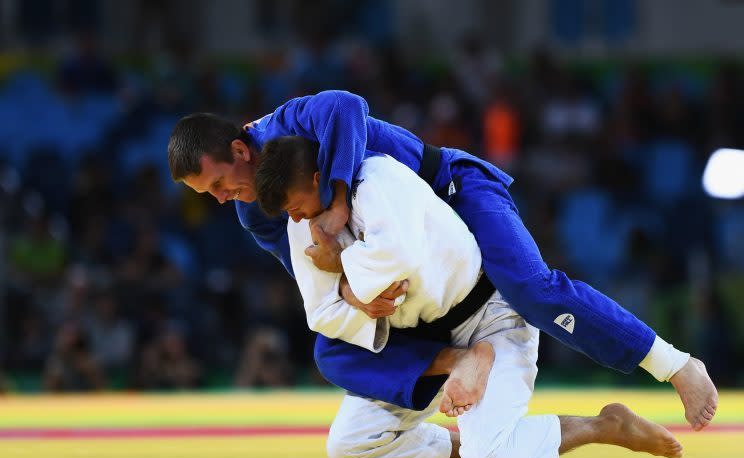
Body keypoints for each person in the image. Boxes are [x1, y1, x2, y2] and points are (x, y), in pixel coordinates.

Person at [167, 91, 717, 429]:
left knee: (530, 288)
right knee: (331, 348)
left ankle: (673, 364)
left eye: (218, 182)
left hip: (452, 190)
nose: (220, 198)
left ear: (241, 150)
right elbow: (316, 278)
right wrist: (355, 295)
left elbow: (348, 105)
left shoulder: (293, 121)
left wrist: (334, 203)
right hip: (404, 266)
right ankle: (457, 377)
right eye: (207, 195)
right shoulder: (254, 213)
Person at [253, 136, 683, 458]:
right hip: (427, 340)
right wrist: (352, 294)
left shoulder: (379, 178)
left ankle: (604, 425)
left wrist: (341, 267)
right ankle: (463, 385)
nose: (296, 221)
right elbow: (320, 313)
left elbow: (395, 263)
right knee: (350, 444)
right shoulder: (303, 227)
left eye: (295, 207)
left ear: (316, 178)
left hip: (488, 317)